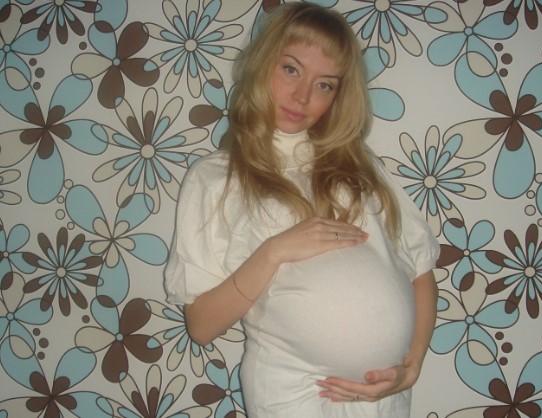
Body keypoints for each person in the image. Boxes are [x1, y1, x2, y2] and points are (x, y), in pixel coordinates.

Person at [164, 3, 440, 417]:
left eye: (325, 84)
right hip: (293, 392)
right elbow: (201, 326)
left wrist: (412, 366)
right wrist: (274, 251)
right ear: (263, 64)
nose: (303, 96)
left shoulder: (360, 165)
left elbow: (420, 269)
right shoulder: (215, 178)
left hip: (382, 397)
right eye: (291, 69)